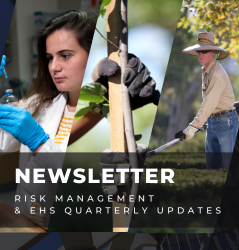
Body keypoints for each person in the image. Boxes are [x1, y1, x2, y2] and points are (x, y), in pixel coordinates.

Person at [0, 10, 160, 229]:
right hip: (26, 223)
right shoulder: (38, 103)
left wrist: (39, 142)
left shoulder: (110, 124)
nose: (54, 67)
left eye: (65, 56)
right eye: (49, 58)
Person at [175, 32, 238, 170]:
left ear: (214, 52)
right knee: (212, 168)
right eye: (198, 51)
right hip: (213, 121)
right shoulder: (206, 70)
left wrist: (193, 127)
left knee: (228, 169)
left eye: (204, 51)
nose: (200, 54)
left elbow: (209, 103)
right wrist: (203, 123)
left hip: (226, 123)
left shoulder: (216, 74)